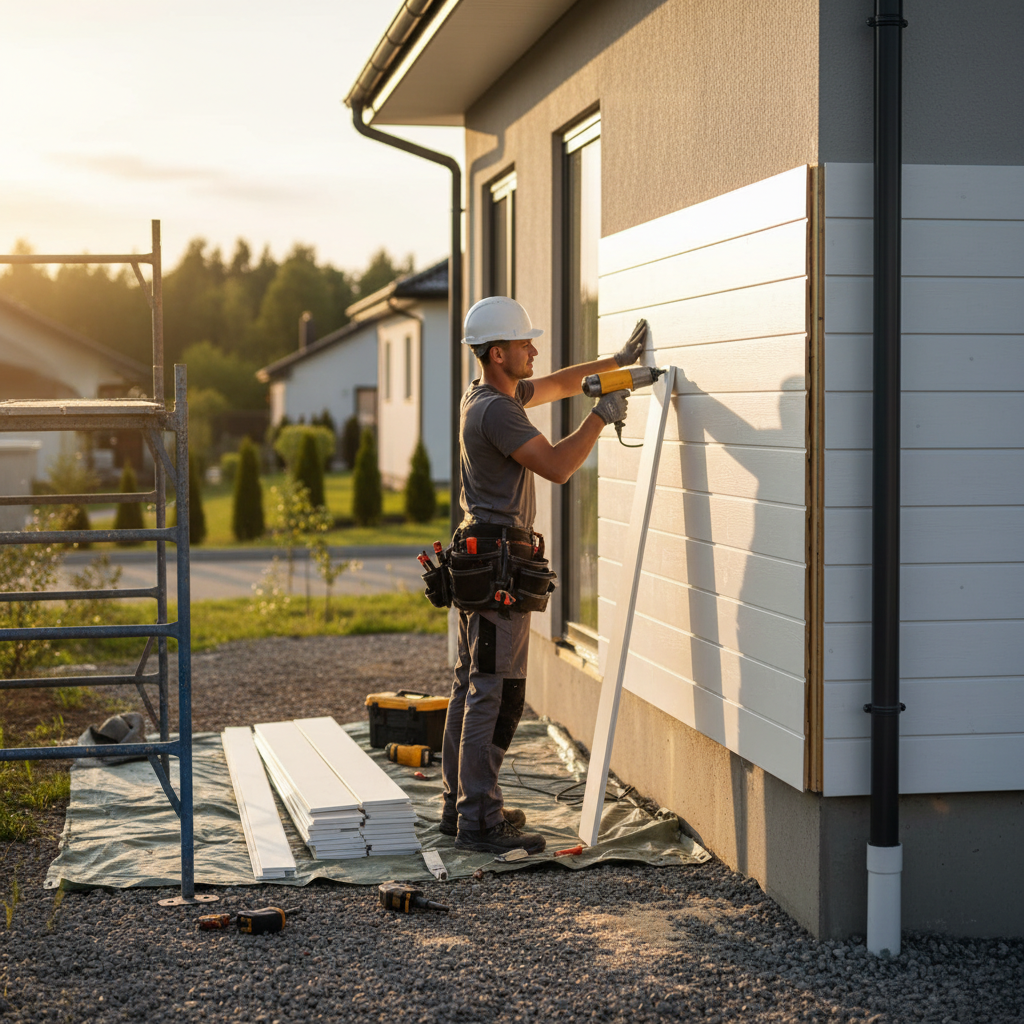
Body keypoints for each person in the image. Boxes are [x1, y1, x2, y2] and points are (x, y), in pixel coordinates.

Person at [440, 295, 648, 854]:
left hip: (485, 558)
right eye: (525, 343)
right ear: (499, 353)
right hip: (498, 563)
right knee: (493, 690)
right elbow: (557, 467)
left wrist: (612, 364)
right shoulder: (497, 412)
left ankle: (458, 805)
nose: (534, 350)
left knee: (472, 684)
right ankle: (478, 819)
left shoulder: (488, 394)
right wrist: (601, 417)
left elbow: (556, 384)